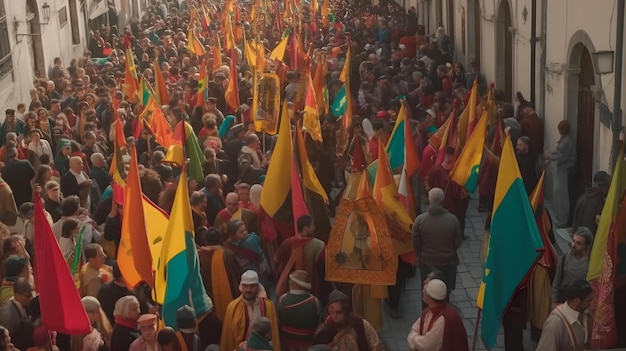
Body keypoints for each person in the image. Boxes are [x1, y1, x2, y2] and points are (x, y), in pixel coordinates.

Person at [412, 188, 463, 292]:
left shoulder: (420, 220)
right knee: (444, 292)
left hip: (427, 263)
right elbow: (457, 242)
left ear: (429, 199)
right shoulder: (453, 220)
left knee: (427, 292)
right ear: (443, 199)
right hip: (448, 262)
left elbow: (415, 243)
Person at [220, 270, 281, 351]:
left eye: (252, 286)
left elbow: (274, 336)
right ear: (241, 286)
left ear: (258, 287)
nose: (248, 289)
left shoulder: (268, 306)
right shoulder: (233, 307)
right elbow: (227, 339)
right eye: (245, 286)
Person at [274, 215, 329, 300]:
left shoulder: (286, 243)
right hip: (312, 292)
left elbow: (276, 261)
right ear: (305, 229)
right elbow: (328, 263)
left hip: (290, 292)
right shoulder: (319, 245)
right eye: (312, 226)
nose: (314, 228)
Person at [407, 279, 468, 351]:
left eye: (425, 290)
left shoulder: (443, 319)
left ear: (429, 296)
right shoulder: (429, 311)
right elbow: (414, 329)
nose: (423, 291)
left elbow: (425, 345)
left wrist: (413, 339)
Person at [312, 290, 384, 351]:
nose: (334, 316)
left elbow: (377, 347)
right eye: (332, 312)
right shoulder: (324, 330)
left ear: (346, 311)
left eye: (339, 312)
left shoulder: (361, 325)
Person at [196, 227, 241, 321]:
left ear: (206, 241)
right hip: (227, 305)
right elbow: (237, 277)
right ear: (221, 240)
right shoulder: (227, 255)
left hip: (204, 304)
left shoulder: (197, 257)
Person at [537, 280, 593, 350]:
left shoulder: (587, 315)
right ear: (577, 302)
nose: (591, 304)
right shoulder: (555, 323)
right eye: (589, 301)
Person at [277, 270, 322, 351]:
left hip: (285, 346)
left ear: (293, 283)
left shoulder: (281, 299)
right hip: (308, 346)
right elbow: (321, 323)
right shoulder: (315, 302)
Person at [546, 120, 577, 227]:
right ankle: (561, 217)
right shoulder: (564, 139)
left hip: (567, 171)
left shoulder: (568, 140)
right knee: (559, 194)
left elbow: (563, 157)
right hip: (562, 170)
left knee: (564, 196)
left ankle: (565, 220)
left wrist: (551, 157)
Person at [551, 227, 592, 308]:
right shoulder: (565, 257)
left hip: (579, 304)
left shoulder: (589, 263)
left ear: (586, 246)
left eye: (578, 243)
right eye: (573, 241)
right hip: (563, 301)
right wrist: (554, 302)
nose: (573, 245)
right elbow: (557, 281)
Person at [0, 277, 34, 350]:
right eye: (28, 296)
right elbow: (5, 337)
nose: (31, 298)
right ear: (18, 295)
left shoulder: (26, 305)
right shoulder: (7, 313)